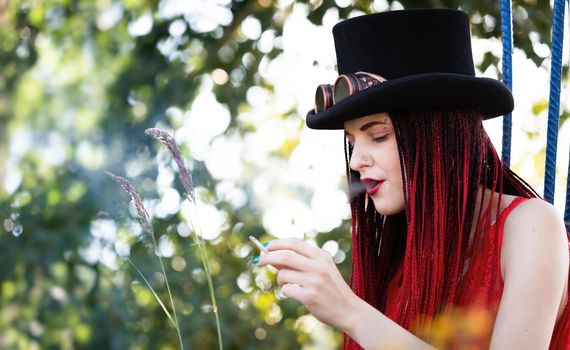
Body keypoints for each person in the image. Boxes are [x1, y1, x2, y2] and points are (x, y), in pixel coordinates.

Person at [254, 9, 570, 349]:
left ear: (438, 133)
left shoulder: (530, 225)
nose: (357, 160)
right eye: (351, 142)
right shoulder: (403, 256)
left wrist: (349, 311)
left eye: (377, 136)